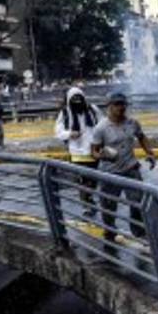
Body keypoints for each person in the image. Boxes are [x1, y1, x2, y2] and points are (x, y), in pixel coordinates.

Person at [91, 92, 157, 245]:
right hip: (110, 172)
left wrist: (150, 153)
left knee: (136, 202)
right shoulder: (101, 128)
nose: (121, 108)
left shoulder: (132, 123)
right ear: (109, 106)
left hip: (130, 168)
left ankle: (139, 233)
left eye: (123, 104)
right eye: (117, 104)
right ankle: (109, 230)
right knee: (108, 205)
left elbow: (141, 136)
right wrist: (102, 155)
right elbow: (93, 151)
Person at [55, 87, 104, 217]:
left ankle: (89, 198)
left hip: (93, 150)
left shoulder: (93, 110)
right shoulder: (65, 113)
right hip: (76, 152)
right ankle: (86, 206)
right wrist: (70, 133)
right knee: (82, 181)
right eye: (74, 99)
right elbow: (58, 132)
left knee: (92, 180)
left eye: (79, 98)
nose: (77, 101)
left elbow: (102, 124)